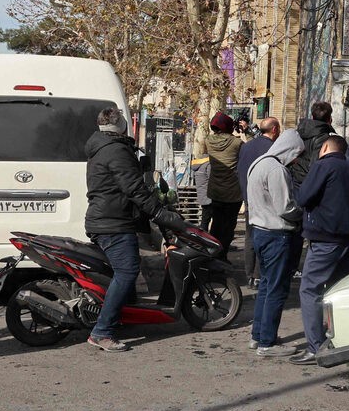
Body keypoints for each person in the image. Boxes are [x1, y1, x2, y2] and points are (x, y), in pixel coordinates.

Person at [85, 106, 192, 353]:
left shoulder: (102, 147)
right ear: (121, 126)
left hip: (108, 218)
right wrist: (159, 213)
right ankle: (102, 331)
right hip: (113, 223)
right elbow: (134, 189)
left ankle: (120, 317)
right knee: (127, 272)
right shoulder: (116, 150)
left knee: (124, 271)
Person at [292, 135, 349, 365]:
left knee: (310, 289)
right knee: (337, 289)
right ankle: (340, 338)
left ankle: (316, 346)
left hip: (326, 237)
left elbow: (304, 197)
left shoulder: (323, 166)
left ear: (325, 147)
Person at [246, 130, 306, 355]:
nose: (296, 160)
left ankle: (258, 335)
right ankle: (267, 343)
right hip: (276, 234)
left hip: (259, 231)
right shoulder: (276, 169)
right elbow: (285, 208)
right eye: (296, 154)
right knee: (276, 289)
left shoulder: (258, 164)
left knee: (266, 286)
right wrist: (302, 213)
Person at [193, 112, 245, 256]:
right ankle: (223, 255)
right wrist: (242, 132)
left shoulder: (208, 141)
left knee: (216, 224)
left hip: (215, 191)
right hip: (233, 193)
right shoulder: (236, 143)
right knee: (229, 226)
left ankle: (214, 254)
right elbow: (245, 151)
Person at [238, 117, 281, 284]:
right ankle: (258, 274)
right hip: (267, 200)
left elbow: (240, 171)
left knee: (250, 237)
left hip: (249, 198)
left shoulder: (246, 147)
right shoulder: (274, 149)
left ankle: (250, 274)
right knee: (265, 237)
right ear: (275, 129)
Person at [290, 101, 337, 184]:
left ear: (312, 116)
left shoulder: (298, 132)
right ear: (330, 118)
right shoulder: (323, 138)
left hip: (295, 180)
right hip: (310, 183)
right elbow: (315, 167)